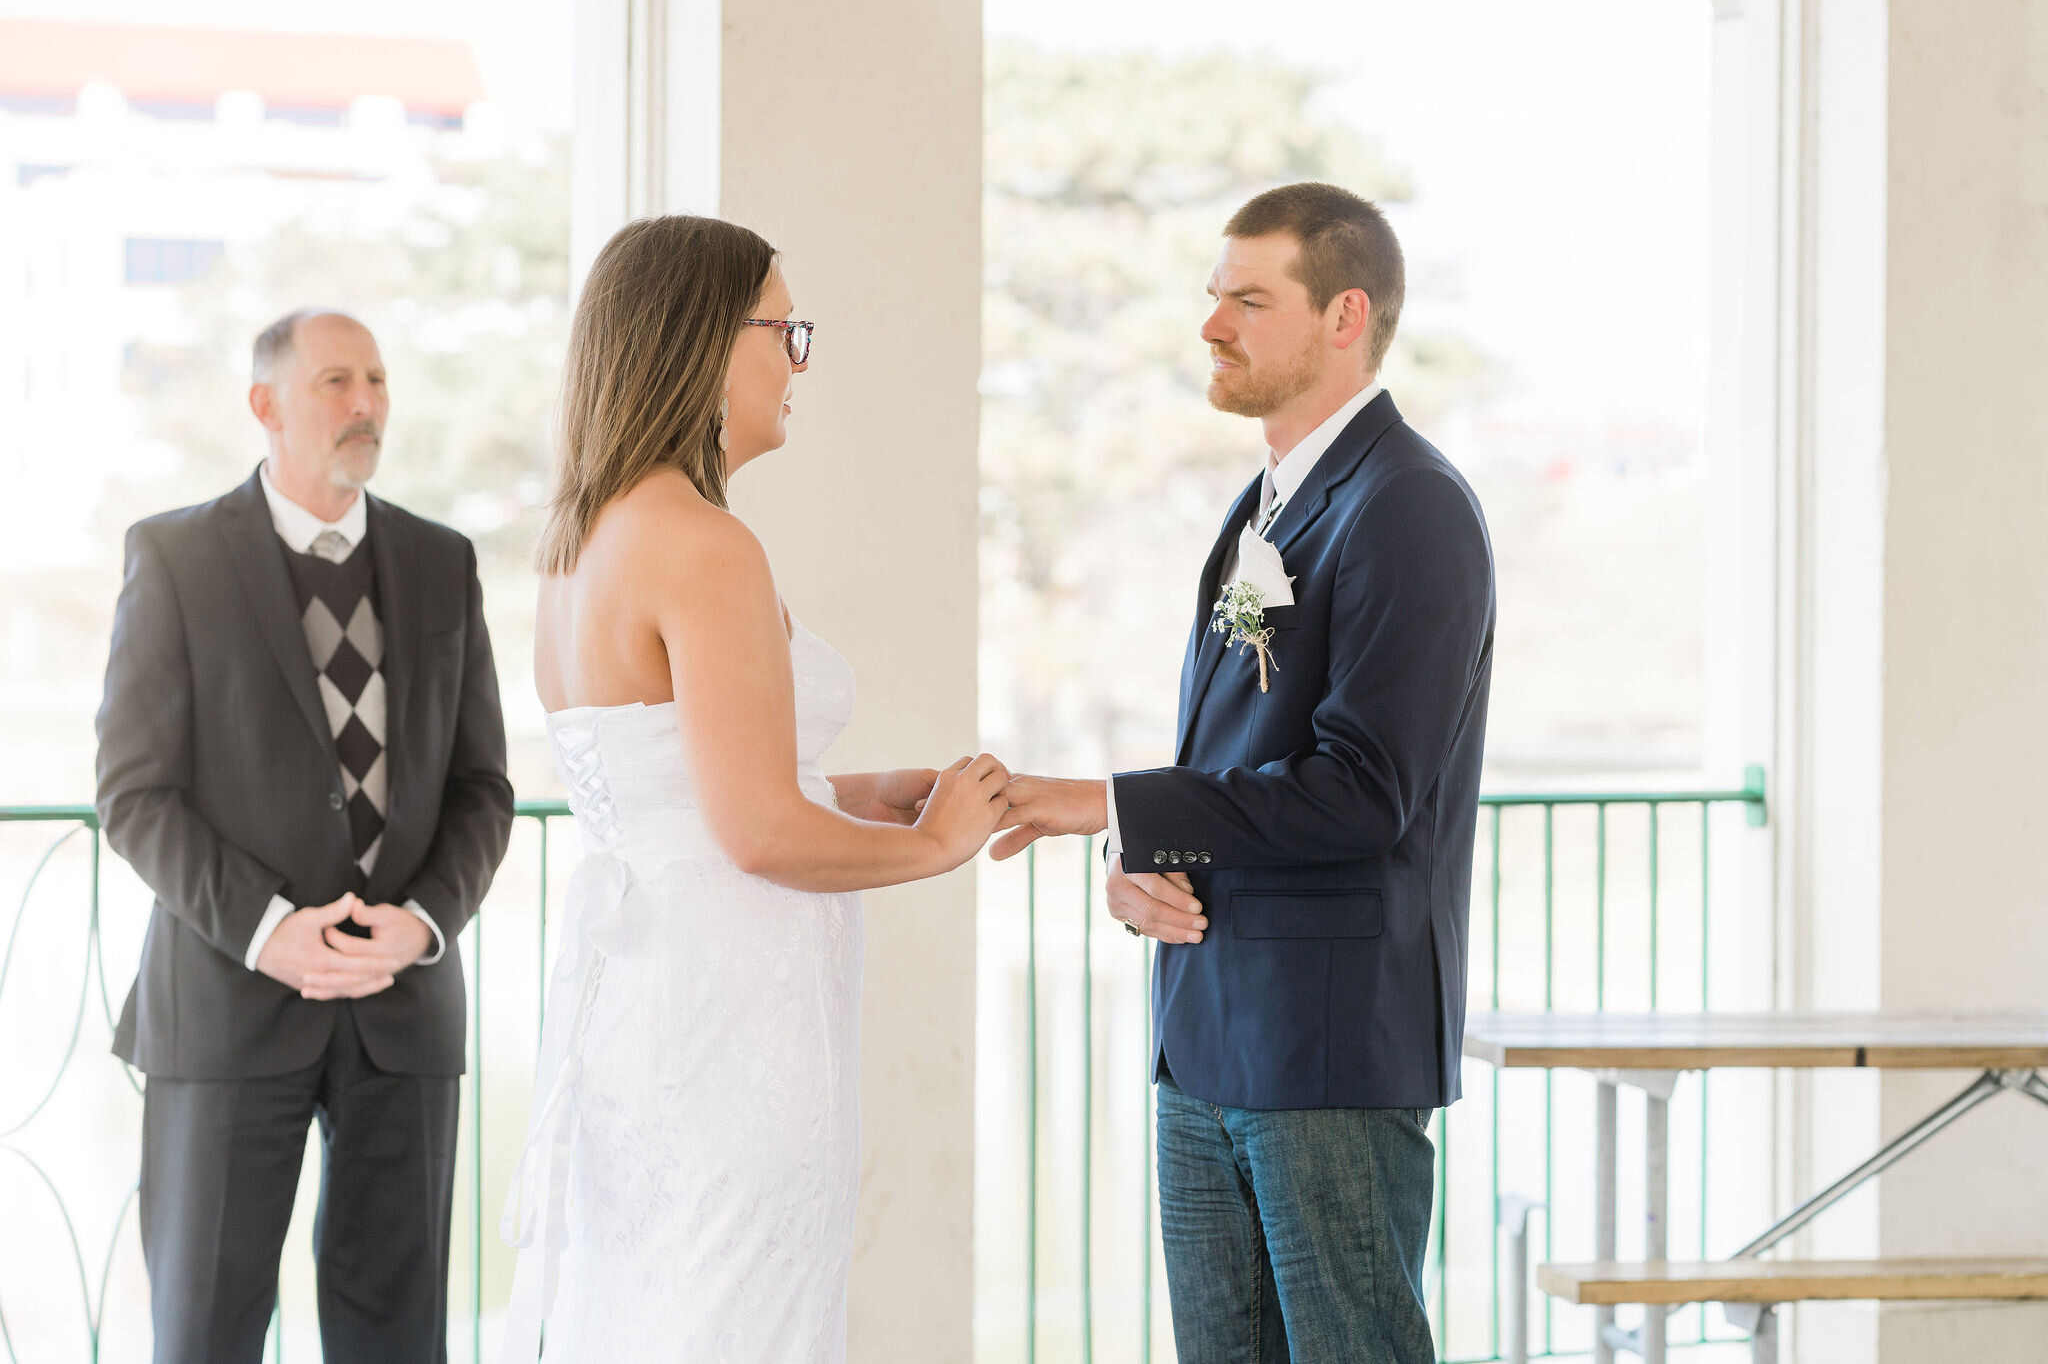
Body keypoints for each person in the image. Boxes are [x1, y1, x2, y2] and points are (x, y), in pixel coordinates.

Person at [996, 182, 1496, 1362]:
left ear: (1343, 315)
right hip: (1204, 1035)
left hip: (1324, 1047)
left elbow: (1364, 794)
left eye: (1246, 299)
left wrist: (1103, 802)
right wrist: (1139, 861)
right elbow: (1236, 767)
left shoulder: (1409, 505)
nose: (1210, 325)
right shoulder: (1259, 507)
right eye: (1211, 297)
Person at [499, 215, 1008, 1363]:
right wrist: (937, 847)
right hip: (735, 1021)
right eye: (784, 328)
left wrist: (864, 792)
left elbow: (677, 782)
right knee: (738, 1317)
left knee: (663, 1301)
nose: (798, 361)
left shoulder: (577, 546)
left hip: (649, 1012)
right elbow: (756, 831)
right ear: (699, 339)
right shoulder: (703, 543)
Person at [96, 307, 515, 1363]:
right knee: (206, 1332)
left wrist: (423, 925)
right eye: (335, 381)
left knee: (397, 1339)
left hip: (403, 1010)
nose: (365, 403)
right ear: (264, 405)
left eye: (376, 379)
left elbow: (482, 789)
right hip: (227, 1005)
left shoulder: (441, 562)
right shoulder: (176, 556)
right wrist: (266, 928)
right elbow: (134, 793)